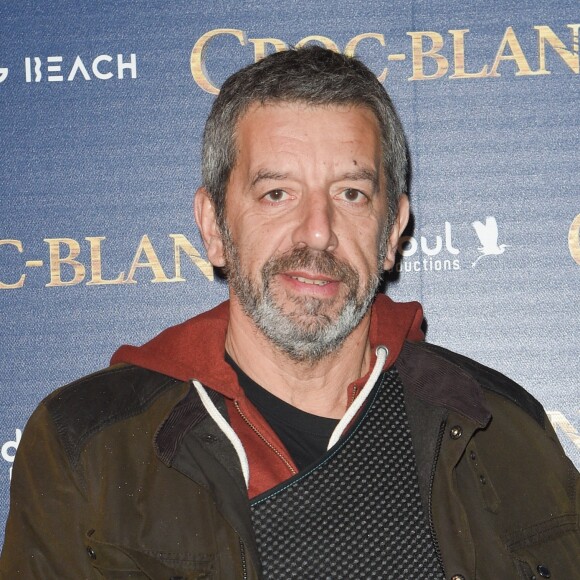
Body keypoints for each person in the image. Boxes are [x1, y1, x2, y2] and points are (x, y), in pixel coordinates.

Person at [1, 46, 578, 579]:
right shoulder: (86, 444)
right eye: (277, 193)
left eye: (351, 193)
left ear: (393, 231)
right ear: (213, 228)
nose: (318, 232)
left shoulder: (502, 428)